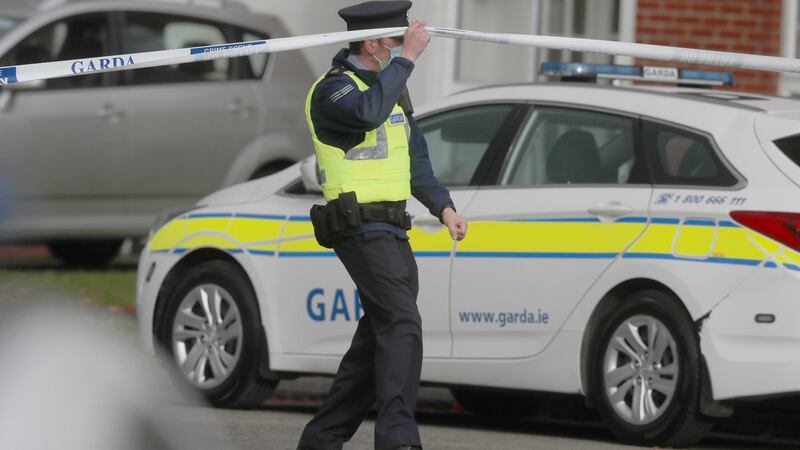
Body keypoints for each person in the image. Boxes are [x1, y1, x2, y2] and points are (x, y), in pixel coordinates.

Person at [297, 1, 467, 450]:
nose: (397, 50)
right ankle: (398, 439)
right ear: (371, 44)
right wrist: (408, 58)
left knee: (375, 342)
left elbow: (416, 161)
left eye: (399, 43)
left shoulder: (392, 89)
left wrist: (444, 208)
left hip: (393, 230)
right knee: (402, 322)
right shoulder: (332, 91)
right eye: (393, 43)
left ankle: (320, 440)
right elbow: (366, 113)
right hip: (358, 228)